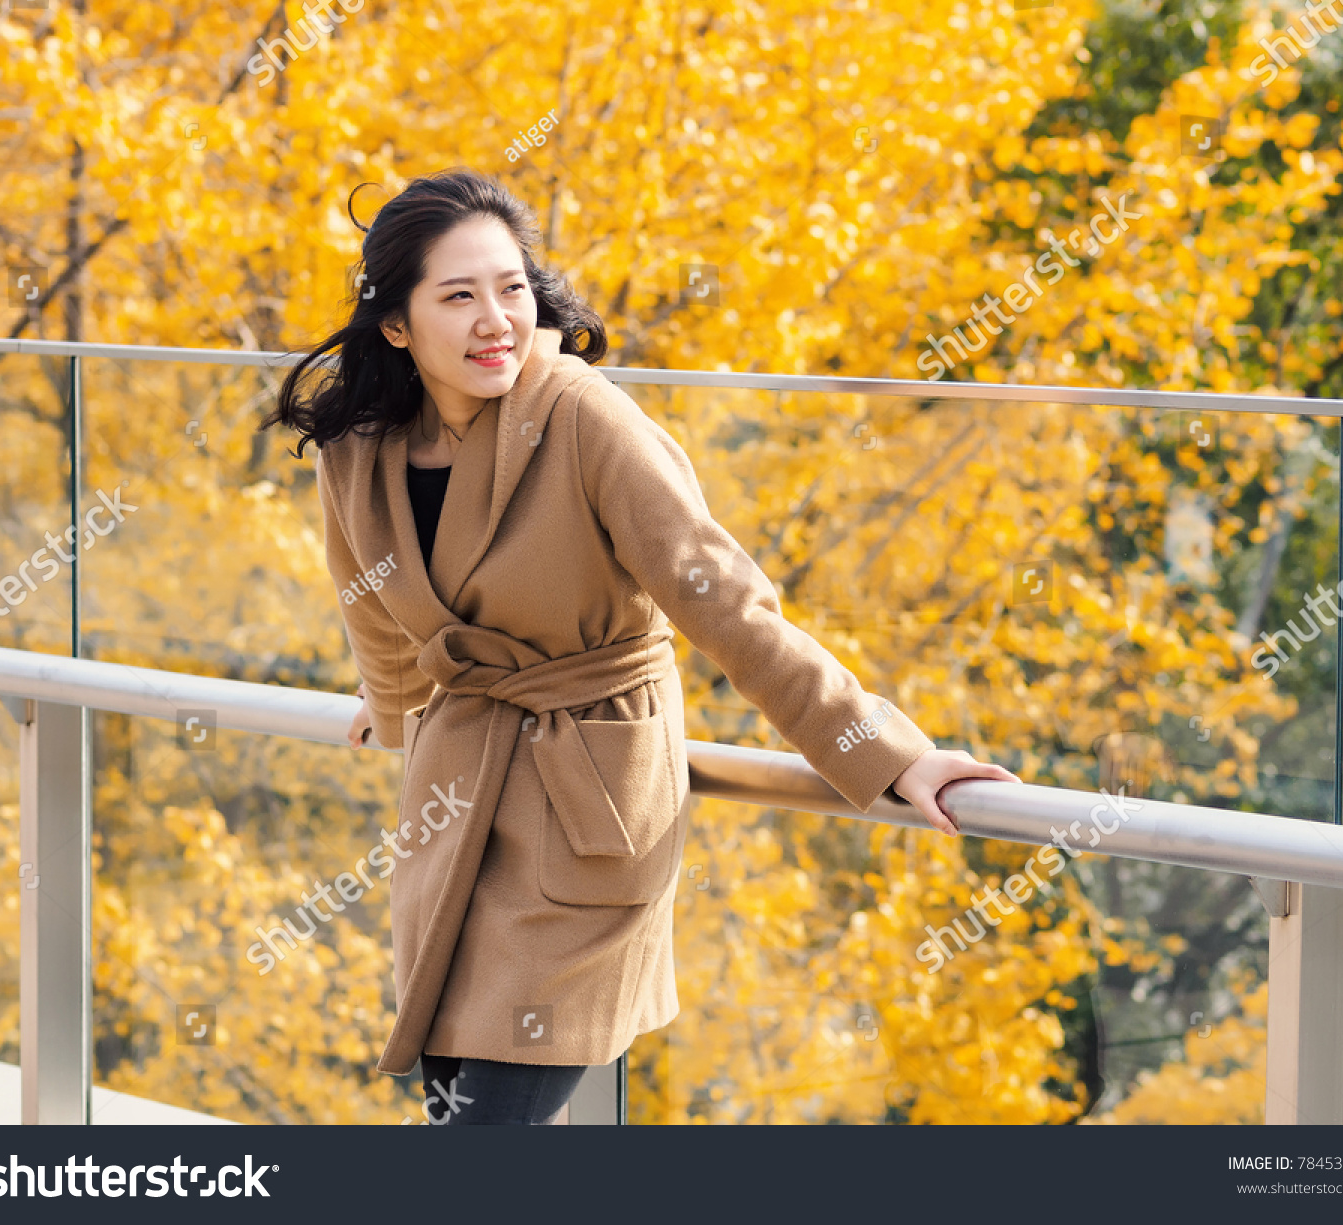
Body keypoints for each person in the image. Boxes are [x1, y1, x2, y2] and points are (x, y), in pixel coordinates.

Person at [263, 168, 1022, 1125]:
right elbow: (375, 610)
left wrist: (885, 750)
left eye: (510, 287)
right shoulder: (357, 452)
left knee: (487, 1120)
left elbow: (730, 608)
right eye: (459, 295)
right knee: (450, 1097)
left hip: (587, 804)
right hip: (455, 803)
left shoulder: (582, 417)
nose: (496, 317)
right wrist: (394, 704)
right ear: (398, 325)